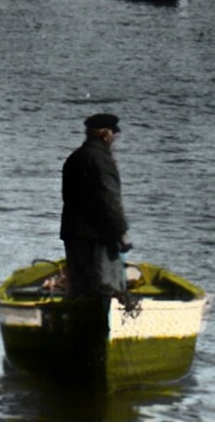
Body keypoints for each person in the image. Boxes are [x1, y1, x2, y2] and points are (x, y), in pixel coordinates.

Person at [61, 112, 130, 298]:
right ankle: (101, 325)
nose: (114, 139)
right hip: (98, 238)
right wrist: (121, 232)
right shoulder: (103, 160)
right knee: (104, 290)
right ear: (106, 134)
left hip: (73, 235)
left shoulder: (74, 158)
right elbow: (109, 200)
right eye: (113, 134)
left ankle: (79, 325)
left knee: (80, 290)